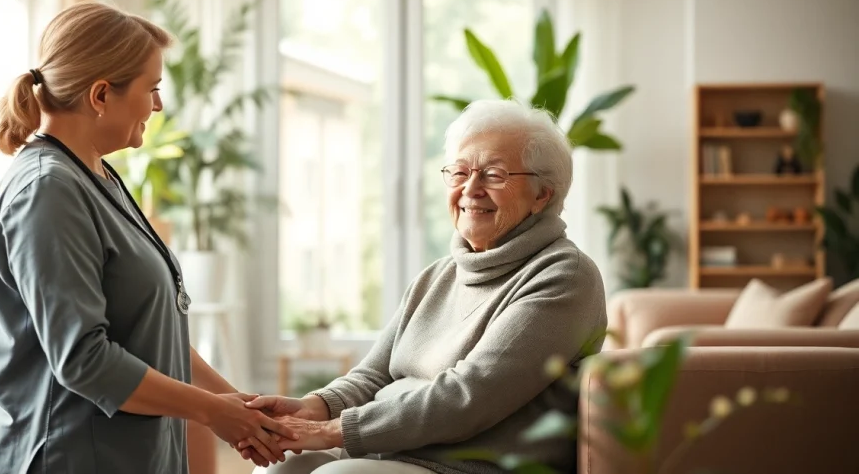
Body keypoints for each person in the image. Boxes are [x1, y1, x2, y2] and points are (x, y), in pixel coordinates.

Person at [0, 1, 296, 474]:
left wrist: (233, 401)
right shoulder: (48, 190)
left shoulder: (95, 175)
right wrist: (212, 412)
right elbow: (83, 358)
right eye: (152, 88)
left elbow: (149, 331)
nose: (159, 105)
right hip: (65, 458)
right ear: (101, 94)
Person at [244, 99, 607, 474]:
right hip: (394, 455)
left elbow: (469, 397)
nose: (471, 188)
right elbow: (374, 374)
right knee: (280, 463)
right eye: (460, 172)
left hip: (469, 467)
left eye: (494, 175)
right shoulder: (439, 275)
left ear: (542, 194)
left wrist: (334, 431)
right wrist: (314, 408)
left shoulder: (564, 276)